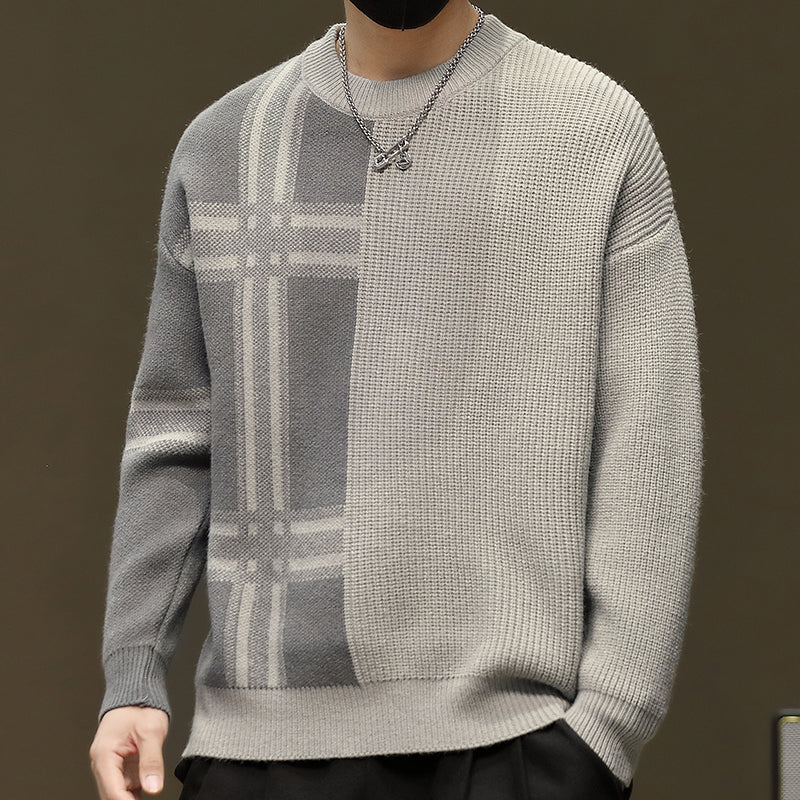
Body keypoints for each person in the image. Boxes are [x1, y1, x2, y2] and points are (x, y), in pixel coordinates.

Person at [88, 0, 705, 797]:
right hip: (254, 748)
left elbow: (650, 442)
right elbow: (175, 435)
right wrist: (133, 673)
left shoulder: (592, 127)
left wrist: (608, 726)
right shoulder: (224, 144)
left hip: (509, 748)